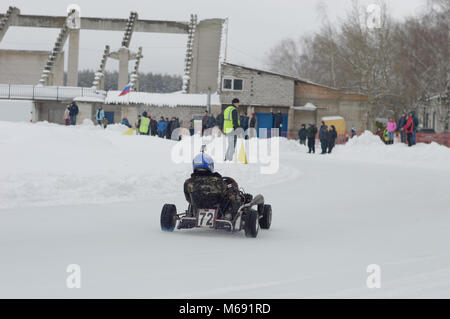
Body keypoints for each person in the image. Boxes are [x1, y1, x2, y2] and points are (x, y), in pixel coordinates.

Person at [184, 152, 244, 221]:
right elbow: (225, 195)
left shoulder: (188, 182)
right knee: (231, 198)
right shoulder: (219, 182)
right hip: (219, 214)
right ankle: (230, 216)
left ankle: (197, 215)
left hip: (197, 210)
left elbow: (188, 199)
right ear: (210, 165)